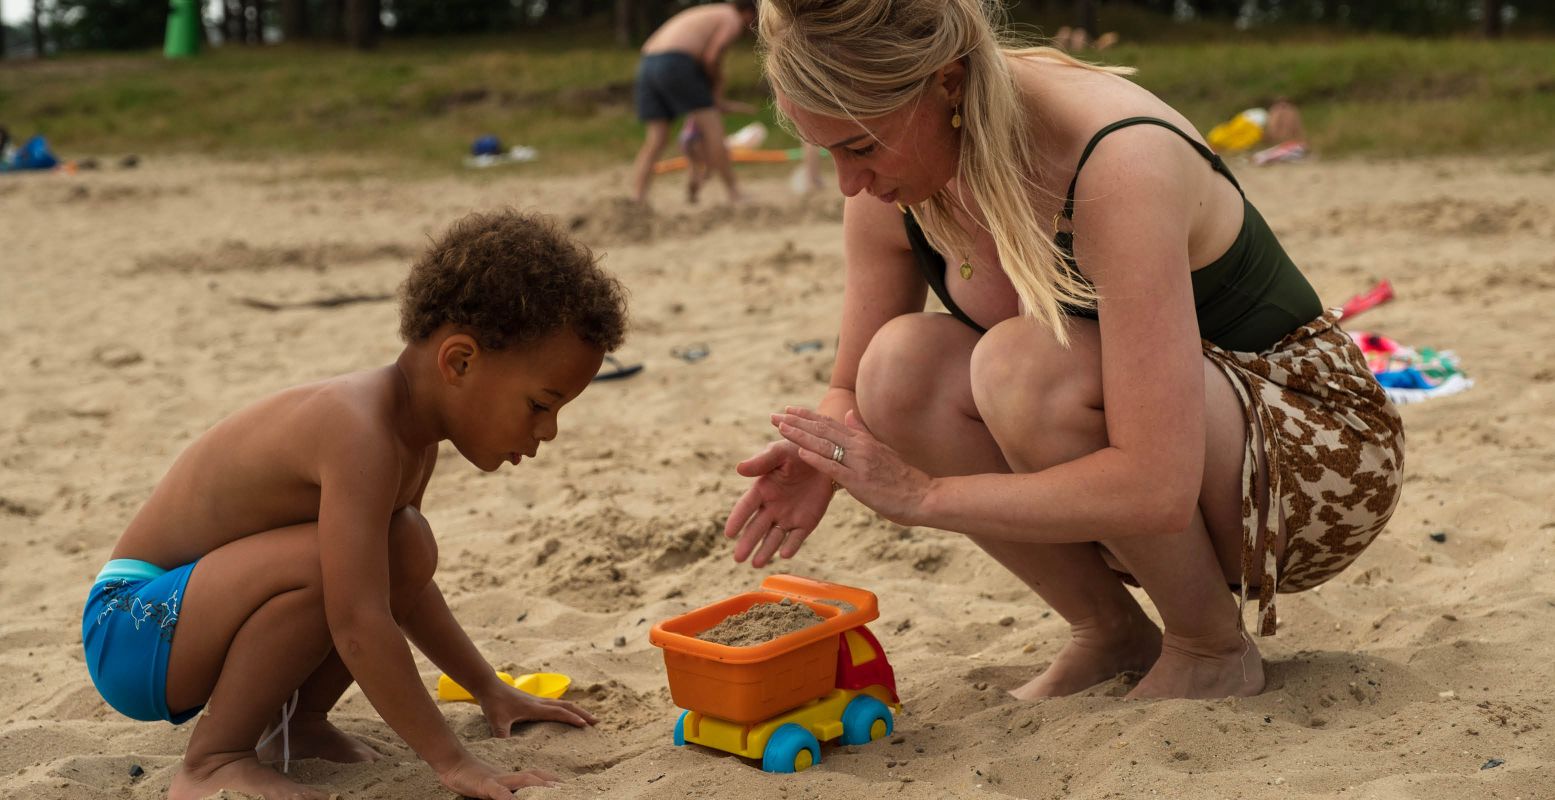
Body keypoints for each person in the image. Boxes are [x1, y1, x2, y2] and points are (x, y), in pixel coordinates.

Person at [725, 0, 1403, 701]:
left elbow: (1155, 488)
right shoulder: (893, 171)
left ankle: (1208, 646)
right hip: (1181, 465)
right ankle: (1110, 631)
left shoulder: (1112, 158)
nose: (847, 183)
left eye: (859, 148)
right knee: (897, 369)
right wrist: (825, 454)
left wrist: (925, 497)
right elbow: (850, 385)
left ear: (946, 84)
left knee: (1024, 365)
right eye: (827, 150)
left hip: (1313, 461)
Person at [81, 209, 627, 800]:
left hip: (192, 619)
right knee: (338, 571)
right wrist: (453, 762)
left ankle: (298, 725)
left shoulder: (409, 441)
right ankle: (214, 760)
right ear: (460, 362)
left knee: (405, 545)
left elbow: (404, 587)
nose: (547, 431)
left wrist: (486, 686)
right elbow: (358, 620)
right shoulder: (359, 431)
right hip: (131, 626)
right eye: (541, 404)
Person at [629, 0, 759, 205]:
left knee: (657, 138)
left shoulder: (710, 12)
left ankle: (637, 197)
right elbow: (711, 57)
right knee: (713, 129)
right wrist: (717, 87)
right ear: (749, 12)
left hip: (647, 62)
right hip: (675, 61)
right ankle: (734, 192)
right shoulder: (731, 18)